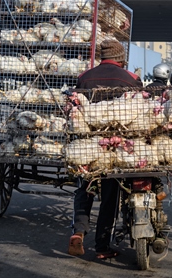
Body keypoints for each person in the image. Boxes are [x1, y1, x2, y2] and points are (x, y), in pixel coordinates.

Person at [68, 39, 142, 259]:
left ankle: (79, 232)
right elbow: (140, 108)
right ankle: (102, 247)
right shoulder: (131, 79)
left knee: (86, 187)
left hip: (88, 147)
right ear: (121, 58)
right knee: (110, 195)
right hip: (115, 148)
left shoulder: (85, 78)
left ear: (102, 57)